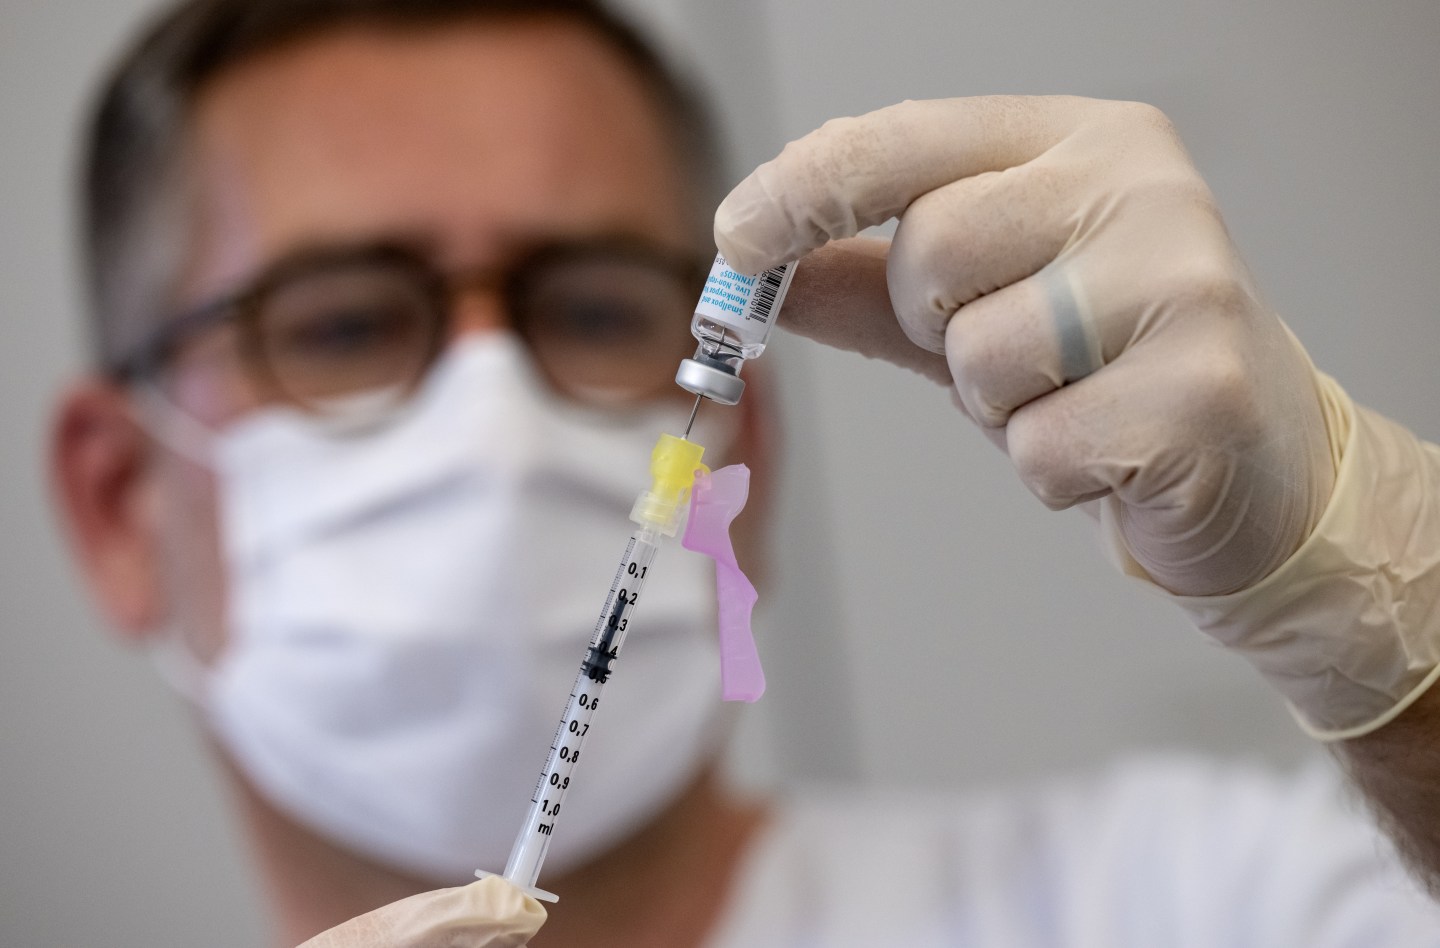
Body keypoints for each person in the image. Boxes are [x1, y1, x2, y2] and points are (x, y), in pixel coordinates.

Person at [48, 0, 1440, 945]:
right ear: (117, 505)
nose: (493, 413)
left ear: (745, 455)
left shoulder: (1189, 901)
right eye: (344, 325)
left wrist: (1383, 624)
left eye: (594, 308)